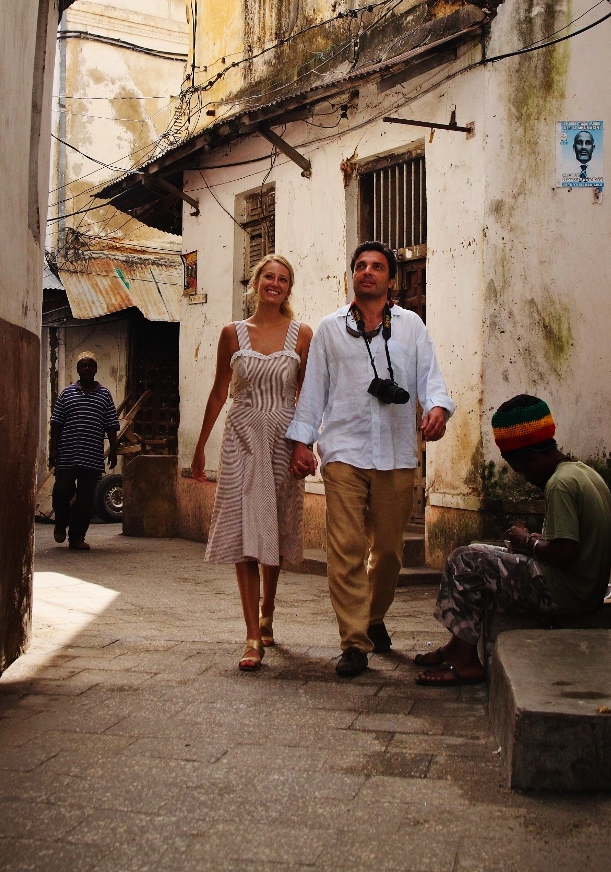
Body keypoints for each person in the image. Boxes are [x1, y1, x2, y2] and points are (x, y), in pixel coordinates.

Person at [286, 241, 454, 678]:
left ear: (390, 278)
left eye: (377, 266)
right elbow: (313, 391)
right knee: (346, 547)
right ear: (353, 276)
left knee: (391, 552)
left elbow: (430, 378)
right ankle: (354, 641)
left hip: (397, 451)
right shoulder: (329, 329)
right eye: (360, 266)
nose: (367, 272)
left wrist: (437, 407)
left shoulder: (411, 326)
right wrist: (302, 442)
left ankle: (374, 616)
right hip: (343, 449)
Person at [415, 393, 611, 685]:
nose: (523, 476)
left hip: (567, 594)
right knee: (476, 549)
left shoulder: (559, 485)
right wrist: (540, 540)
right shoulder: (585, 473)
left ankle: (467, 662)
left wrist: (528, 543)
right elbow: (603, 539)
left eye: (520, 468)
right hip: (584, 588)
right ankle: (458, 646)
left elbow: (566, 552)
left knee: (464, 561)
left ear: (529, 456)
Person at [191, 255, 312, 671]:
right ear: (256, 282)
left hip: (282, 439)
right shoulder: (232, 333)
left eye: (282, 279)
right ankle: (251, 635)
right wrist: (200, 446)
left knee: (272, 529)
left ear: (288, 289)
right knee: (245, 533)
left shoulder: (302, 335)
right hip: (240, 438)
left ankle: (268, 609)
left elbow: (307, 398)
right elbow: (218, 391)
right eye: (268, 277)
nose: (274, 284)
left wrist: (306, 443)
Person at [49, 353, 119, 551]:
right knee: (62, 491)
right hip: (67, 454)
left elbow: (111, 425)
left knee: (85, 499)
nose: (87, 369)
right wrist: (53, 449)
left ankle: (77, 537)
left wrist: (113, 451)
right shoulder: (67, 393)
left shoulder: (104, 395)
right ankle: (61, 521)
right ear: (78, 369)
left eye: (90, 366)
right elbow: (56, 423)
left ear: (96, 369)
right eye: (83, 366)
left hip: (92, 455)